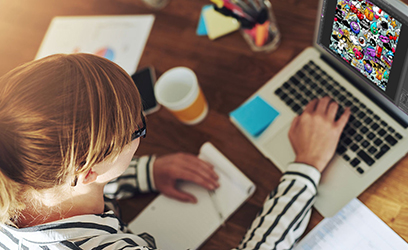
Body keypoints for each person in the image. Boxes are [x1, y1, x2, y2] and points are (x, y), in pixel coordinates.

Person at [0, 53, 349, 250]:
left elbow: (61, 186)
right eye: (138, 130)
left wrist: (147, 172)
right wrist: (307, 165)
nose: (141, 131)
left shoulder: (17, 168)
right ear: (89, 171)